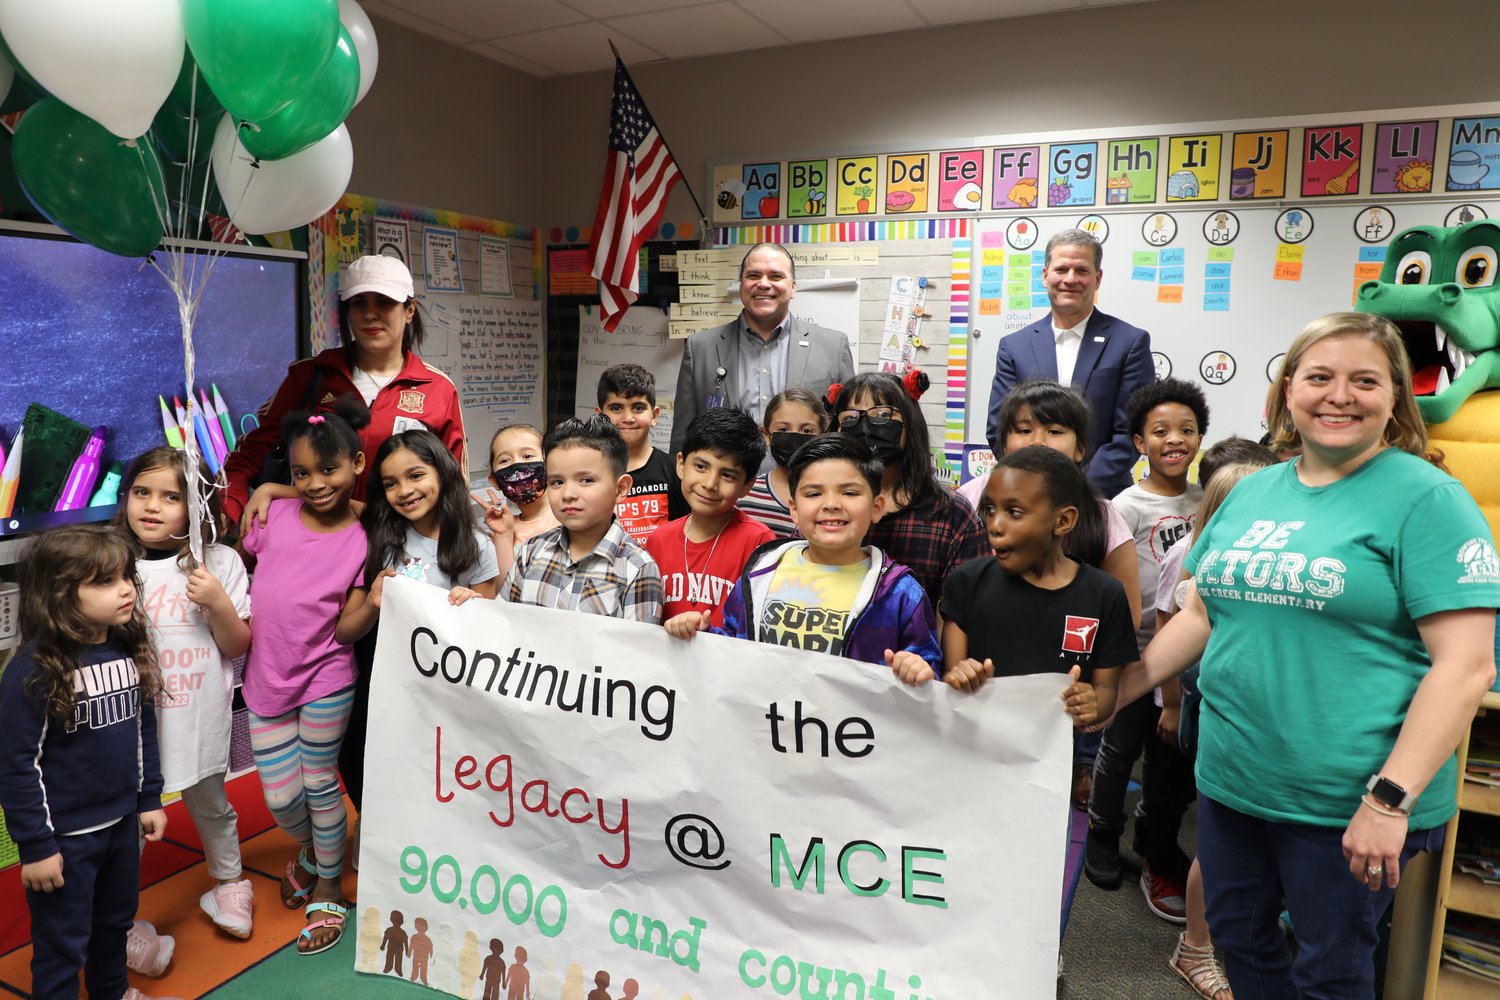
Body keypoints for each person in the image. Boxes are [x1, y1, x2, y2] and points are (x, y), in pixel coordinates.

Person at [1123, 312, 1500, 999]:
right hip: (1236, 782)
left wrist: (1390, 801)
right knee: (1239, 939)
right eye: (1320, 377)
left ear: (1394, 398)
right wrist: (1122, 688)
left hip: (1350, 797)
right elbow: (1200, 612)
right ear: (1288, 391)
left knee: (1330, 968)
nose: (1339, 395)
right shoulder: (1252, 490)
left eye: (1365, 380)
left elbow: (1467, 665)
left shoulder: (1427, 499)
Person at [0, 526, 174, 1000]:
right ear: (59, 594)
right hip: (65, 840)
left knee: (113, 925)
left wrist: (148, 798)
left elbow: (143, 731)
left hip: (120, 826)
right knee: (62, 946)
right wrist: (36, 846)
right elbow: (17, 765)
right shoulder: (32, 671)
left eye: (125, 577)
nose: (124, 590)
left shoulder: (127, 650)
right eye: (104, 581)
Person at [962, 378, 1141, 809]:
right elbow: (952, 604)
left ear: (1081, 448)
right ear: (1002, 442)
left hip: (1066, 709)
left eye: (1055, 430)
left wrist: (1097, 696)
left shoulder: (1101, 514)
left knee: (1054, 812)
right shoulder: (969, 500)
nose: (1037, 440)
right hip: (983, 699)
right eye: (1023, 429)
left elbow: (1124, 615)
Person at [239, 400, 371, 956]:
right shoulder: (274, 516)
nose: (316, 484)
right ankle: (319, 849)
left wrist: (377, 596)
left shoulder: (367, 534)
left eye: (329, 469)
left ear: (358, 463)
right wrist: (271, 491)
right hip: (266, 680)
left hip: (327, 677)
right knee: (282, 796)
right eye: (300, 474)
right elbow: (252, 540)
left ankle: (327, 883)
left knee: (319, 782)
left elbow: (345, 631)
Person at [337, 428, 500, 853]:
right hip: (379, 676)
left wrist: (473, 603)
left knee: (432, 766)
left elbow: (489, 627)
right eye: (390, 483)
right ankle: (370, 822)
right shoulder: (376, 532)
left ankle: (428, 838)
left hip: (442, 687)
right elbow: (346, 628)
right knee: (358, 754)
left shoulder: (476, 545)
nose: (404, 491)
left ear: (442, 472)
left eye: (415, 475)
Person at [116, 448, 255, 940]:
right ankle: (119, 922)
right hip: (130, 726)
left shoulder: (220, 562)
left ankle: (230, 881)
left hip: (198, 717)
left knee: (211, 803)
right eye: (141, 493)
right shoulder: (113, 562)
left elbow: (237, 644)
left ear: (197, 506)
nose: (151, 506)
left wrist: (217, 602)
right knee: (125, 824)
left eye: (171, 497)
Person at [668, 434, 941, 682]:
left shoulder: (900, 593)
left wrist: (917, 668)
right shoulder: (761, 572)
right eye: (814, 493)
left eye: (849, 492)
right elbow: (733, 643)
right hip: (764, 728)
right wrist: (701, 634)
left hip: (849, 735)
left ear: (876, 508)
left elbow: (929, 672)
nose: (831, 503)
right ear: (795, 510)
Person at [222, 254, 466, 529]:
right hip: (315, 545)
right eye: (359, 303)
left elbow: (453, 484)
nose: (370, 314)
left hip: (400, 548)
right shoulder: (309, 376)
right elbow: (249, 457)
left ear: (409, 310)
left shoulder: (437, 388)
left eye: (384, 302)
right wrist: (224, 515)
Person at [1087, 378, 1208, 918]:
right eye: (1160, 431)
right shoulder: (1126, 504)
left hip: (1185, 652)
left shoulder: (1209, 500)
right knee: (1119, 749)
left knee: (1168, 751)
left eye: (1186, 430)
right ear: (1139, 442)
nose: (1174, 440)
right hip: (1135, 649)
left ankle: (1151, 838)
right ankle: (1101, 831)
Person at [1158, 459, 1270, 1000]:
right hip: (1216, 722)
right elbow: (1183, 640)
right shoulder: (1199, 569)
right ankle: (1196, 945)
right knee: (1216, 841)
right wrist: (1169, 704)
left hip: (1270, 734)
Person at [940, 445, 1133, 717]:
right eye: (990, 509)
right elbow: (952, 678)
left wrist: (1092, 704)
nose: (995, 524)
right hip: (975, 749)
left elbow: (1106, 692)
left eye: (1014, 512)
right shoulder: (966, 583)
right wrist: (960, 676)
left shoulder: (1105, 595)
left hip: (1055, 757)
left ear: (1063, 520)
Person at [985, 228, 1153, 498]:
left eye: (1082, 271)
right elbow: (999, 428)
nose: (1070, 279)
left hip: (1100, 497)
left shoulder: (1130, 342)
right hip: (1028, 494)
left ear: (1097, 279)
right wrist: (1033, 480)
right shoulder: (1014, 346)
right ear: (1045, 275)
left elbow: (1129, 432)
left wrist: (1077, 489)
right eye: (1061, 269)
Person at [671, 242, 854, 456]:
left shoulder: (833, 347)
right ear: (741, 284)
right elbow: (683, 437)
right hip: (723, 485)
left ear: (793, 287)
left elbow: (849, 433)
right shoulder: (700, 348)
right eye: (753, 275)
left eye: (776, 276)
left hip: (805, 485)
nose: (764, 284)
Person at [832, 372, 990, 611]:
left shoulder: (953, 514)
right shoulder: (823, 505)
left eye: (882, 415)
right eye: (851, 418)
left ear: (911, 422)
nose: (864, 427)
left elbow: (968, 614)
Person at [501, 415, 663, 623]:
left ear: (621, 488)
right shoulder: (531, 551)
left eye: (586, 480)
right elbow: (502, 626)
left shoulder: (637, 568)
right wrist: (471, 606)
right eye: (557, 482)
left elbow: (637, 651)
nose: (568, 493)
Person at [648, 407, 773, 628]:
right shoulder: (659, 539)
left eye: (727, 475)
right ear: (680, 464)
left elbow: (761, 626)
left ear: (747, 485)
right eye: (700, 466)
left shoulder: (759, 543)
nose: (709, 484)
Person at [596, 363, 688, 543]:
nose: (628, 418)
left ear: (654, 416)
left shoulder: (676, 471)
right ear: (600, 416)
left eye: (638, 407)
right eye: (616, 408)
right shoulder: (587, 474)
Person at [738, 387, 831, 539]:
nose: (794, 436)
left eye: (807, 431)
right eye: (783, 429)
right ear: (766, 435)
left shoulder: (834, 495)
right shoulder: (745, 495)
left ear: (823, 436)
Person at [479, 423, 559, 579]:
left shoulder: (572, 514)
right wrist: (503, 536)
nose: (516, 465)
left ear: (551, 464)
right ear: (495, 481)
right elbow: (504, 593)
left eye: (527, 456)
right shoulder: (499, 532)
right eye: (504, 460)